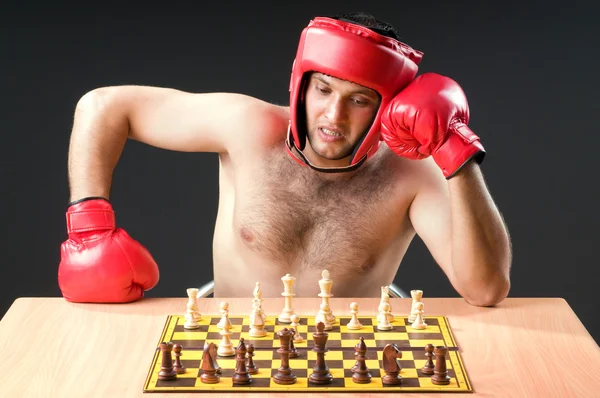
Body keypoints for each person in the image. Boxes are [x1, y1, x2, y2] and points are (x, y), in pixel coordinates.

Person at [58, 12, 511, 306]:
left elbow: (486, 289)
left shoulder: (410, 175)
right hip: (233, 350)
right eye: (324, 90)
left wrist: (456, 149)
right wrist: (89, 231)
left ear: (388, 108)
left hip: (348, 362)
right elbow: (101, 107)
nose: (333, 116)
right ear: (300, 84)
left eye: (359, 100)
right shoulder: (248, 127)